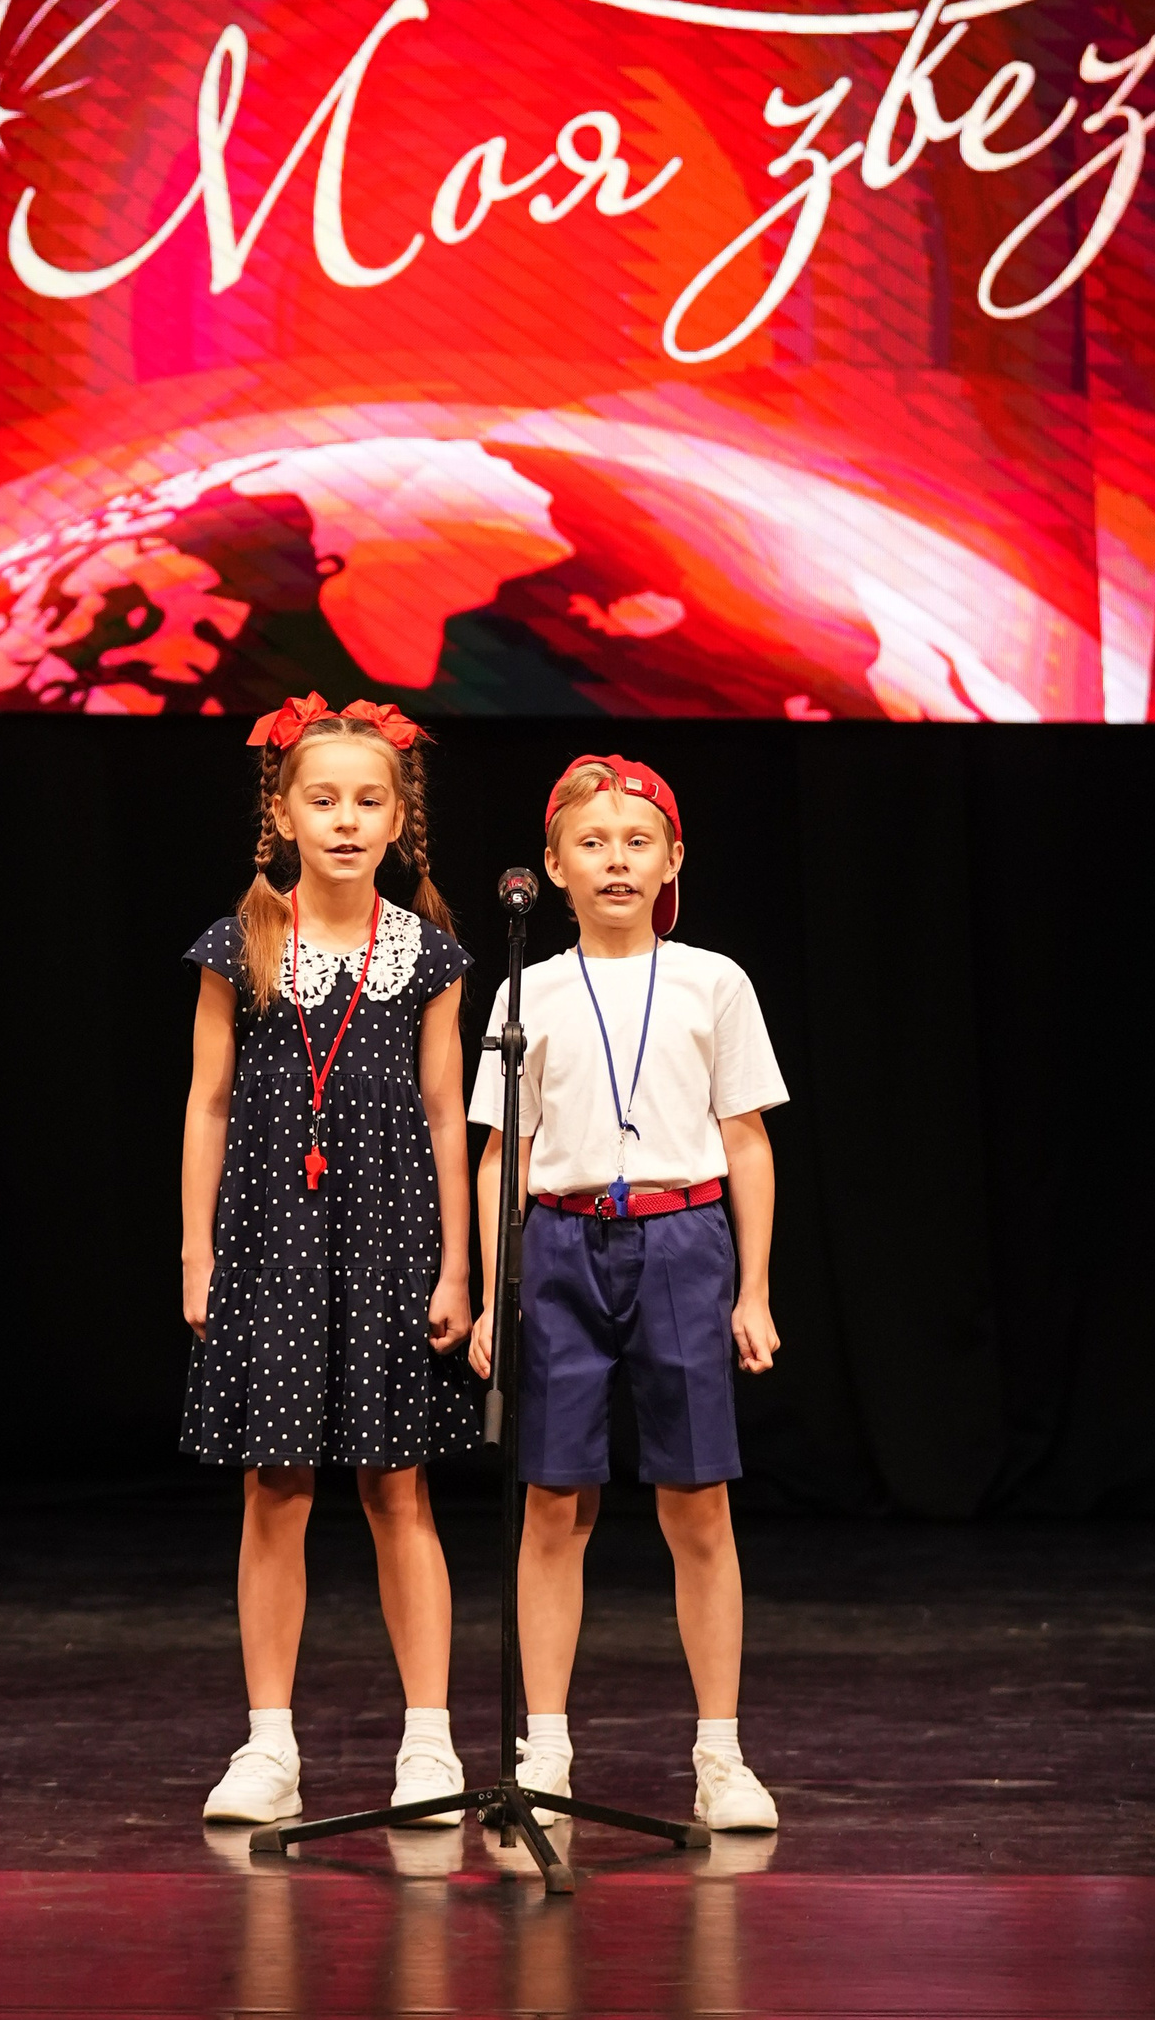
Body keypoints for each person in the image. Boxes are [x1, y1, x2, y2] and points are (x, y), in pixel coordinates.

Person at [468, 753, 786, 1832]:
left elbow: (747, 1141)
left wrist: (753, 1288)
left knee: (697, 1500)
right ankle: (546, 1746)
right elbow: (502, 1153)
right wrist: (493, 1295)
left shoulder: (713, 981)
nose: (616, 860)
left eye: (638, 842)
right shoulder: (527, 990)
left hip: (681, 1240)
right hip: (560, 1243)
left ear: (672, 860)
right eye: (593, 843)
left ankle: (721, 1753)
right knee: (554, 1501)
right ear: (554, 865)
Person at [181, 692, 477, 1827]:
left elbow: (447, 1113)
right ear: (284, 815)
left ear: (399, 819)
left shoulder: (429, 956)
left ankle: (429, 1742)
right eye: (324, 801)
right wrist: (198, 1254)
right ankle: (269, 1744)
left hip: (391, 1244)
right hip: (271, 1245)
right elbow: (208, 1105)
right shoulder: (241, 942)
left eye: (367, 802)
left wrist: (457, 1268)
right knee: (275, 1488)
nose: (346, 821)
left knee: (398, 1488)